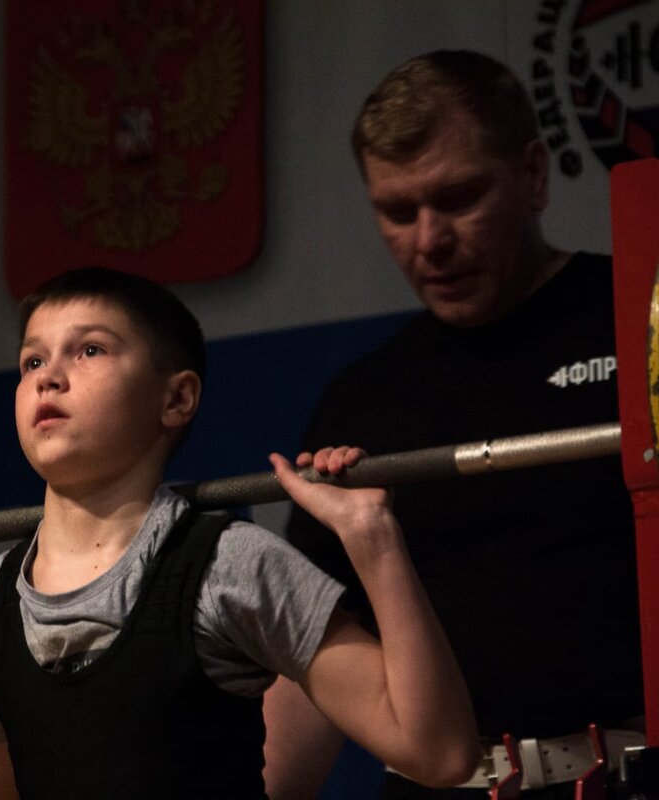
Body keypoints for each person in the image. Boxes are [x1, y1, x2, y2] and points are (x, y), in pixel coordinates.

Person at [0, 266, 479, 799]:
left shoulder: (231, 566)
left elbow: (440, 753)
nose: (50, 379)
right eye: (33, 361)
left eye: (90, 350)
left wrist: (373, 539)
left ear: (176, 398)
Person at [262, 50, 645, 800]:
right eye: (398, 212)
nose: (429, 240)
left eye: (459, 198)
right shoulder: (362, 400)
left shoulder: (638, 317)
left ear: (534, 175)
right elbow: (311, 656)